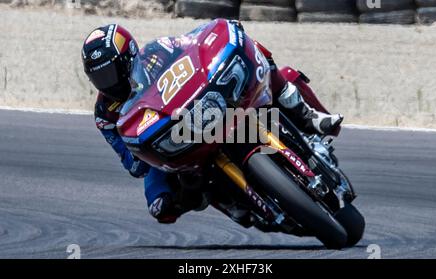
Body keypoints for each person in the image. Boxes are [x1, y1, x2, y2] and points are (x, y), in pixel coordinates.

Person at [81, 21, 343, 225]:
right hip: (165, 143)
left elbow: (193, 45)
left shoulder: (158, 52)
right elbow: (132, 164)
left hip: (200, 108)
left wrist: (219, 41)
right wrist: (139, 154)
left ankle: (310, 117)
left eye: (110, 73)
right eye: (99, 77)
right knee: (159, 207)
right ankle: (219, 198)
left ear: (129, 59)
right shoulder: (105, 114)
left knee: (272, 65)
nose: (108, 83)